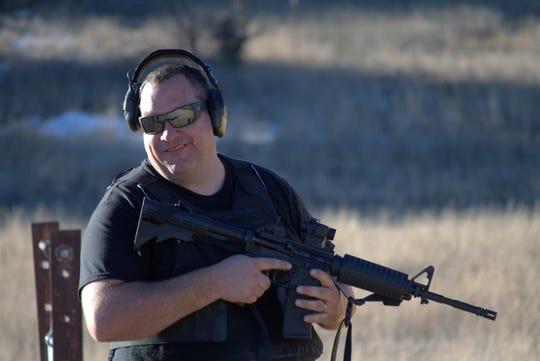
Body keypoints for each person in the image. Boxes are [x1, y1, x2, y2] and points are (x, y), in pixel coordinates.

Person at [79, 49, 354, 361]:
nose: (169, 134)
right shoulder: (127, 205)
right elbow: (103, 319)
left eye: (182, 117)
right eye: (153, 123)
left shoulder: (268, 190)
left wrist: (337, 307)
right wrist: (213, 283)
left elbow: (334, 278)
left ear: (215, 114)